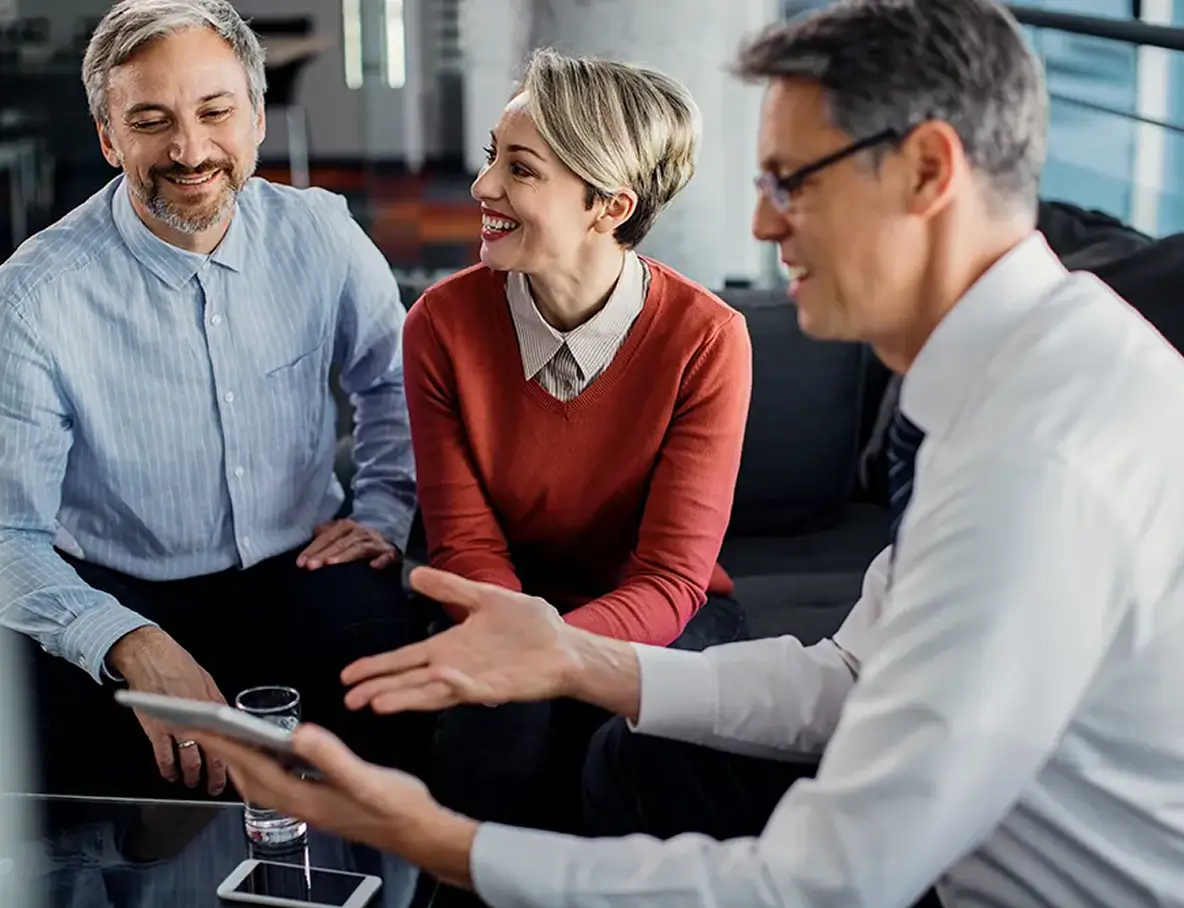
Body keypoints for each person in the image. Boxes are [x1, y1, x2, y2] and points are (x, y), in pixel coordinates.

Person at [193, 0, 1184, 906]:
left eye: (791, 181)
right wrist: (572, 656)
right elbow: (853, 674)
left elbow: (824, 880)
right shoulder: (1016, 383)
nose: (759, 222)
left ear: (926, 171)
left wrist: (440, 841)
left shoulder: (1036, 457)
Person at [0, 0, 429, 800]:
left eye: (215, 112)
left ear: (257, 119)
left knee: (404, 724)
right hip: (115, 583)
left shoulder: (322, 234)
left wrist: (381, 509)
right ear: (108, 138)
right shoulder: (32, 295)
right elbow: (7, 534)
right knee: (76, 779)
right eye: (151, 121)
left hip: (305, 562)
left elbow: (394, 383)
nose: (190, 150)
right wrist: (124, 639)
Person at [400, 49, 753, 840]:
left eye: (520, 170)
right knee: (496, 731)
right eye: (493, 156)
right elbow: (463, 544)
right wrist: (520, 642)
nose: (482, 187)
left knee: (638, 739)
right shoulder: (440, 325)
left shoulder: (707, 339)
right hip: (498, 602)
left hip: (661, 611)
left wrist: (549, 651)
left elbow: (671, 578)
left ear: (609, 206)